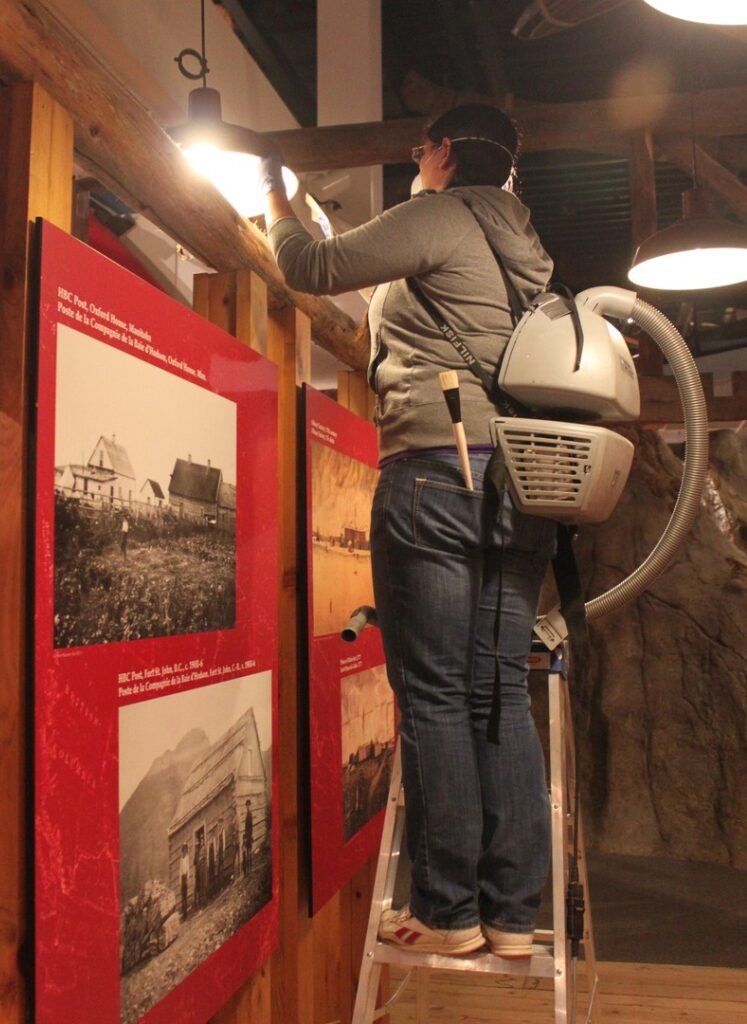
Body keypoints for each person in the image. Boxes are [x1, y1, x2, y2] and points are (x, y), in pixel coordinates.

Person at [261, 104, 555, 959]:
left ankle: (449, 912)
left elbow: (312, 264)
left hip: (434, 471)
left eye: (421, 148)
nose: (415, 160)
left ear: (445, 151)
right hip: (521, 487)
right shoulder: (529, 249)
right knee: (499, 689)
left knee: (432, 695)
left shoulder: (439, 213)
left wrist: (275, 201)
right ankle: (511, 916)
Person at [179, 843, 189, 920]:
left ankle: (186, 913)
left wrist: (188, 878)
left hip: (185, 877)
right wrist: (180, 881)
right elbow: (180, 871)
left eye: (184, 850)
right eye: (182, 850)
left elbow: (188, 869)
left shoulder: (187, 858)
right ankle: (183, 914)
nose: (183, 852)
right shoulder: (181, 860)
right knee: (183, 897)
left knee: (185, 896)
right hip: (182, 878)